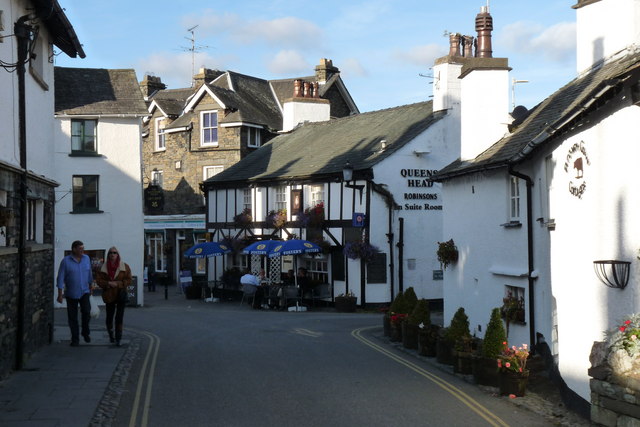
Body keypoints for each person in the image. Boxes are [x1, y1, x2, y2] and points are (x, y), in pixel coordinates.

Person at [57, 240, 93, 347]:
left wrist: (91, 286)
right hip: (71, 293)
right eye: (80, 249)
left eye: (83, 248)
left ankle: (85, 332)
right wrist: (60, 294)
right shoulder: (65, 261)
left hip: (85, 291)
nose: (82, 251)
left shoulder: (86, 259)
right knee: (72, 318)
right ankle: (75, 339)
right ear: (74, 249)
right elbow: (60, 278)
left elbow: (89, 273)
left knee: (86, 312)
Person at [96, 246, 132, 346]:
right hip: (109, 295)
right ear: (108, 255)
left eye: (115, 253)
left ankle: (118, 338)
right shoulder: (103, 267)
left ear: (118, 254)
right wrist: (108, 283)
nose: (112, 254)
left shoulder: (124, 267)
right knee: (109, 317)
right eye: (111, 253)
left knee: (119, 317)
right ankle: (111, 333)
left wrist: (118, 284)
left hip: (120, 294)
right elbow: (98, 281)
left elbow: (129, 280)